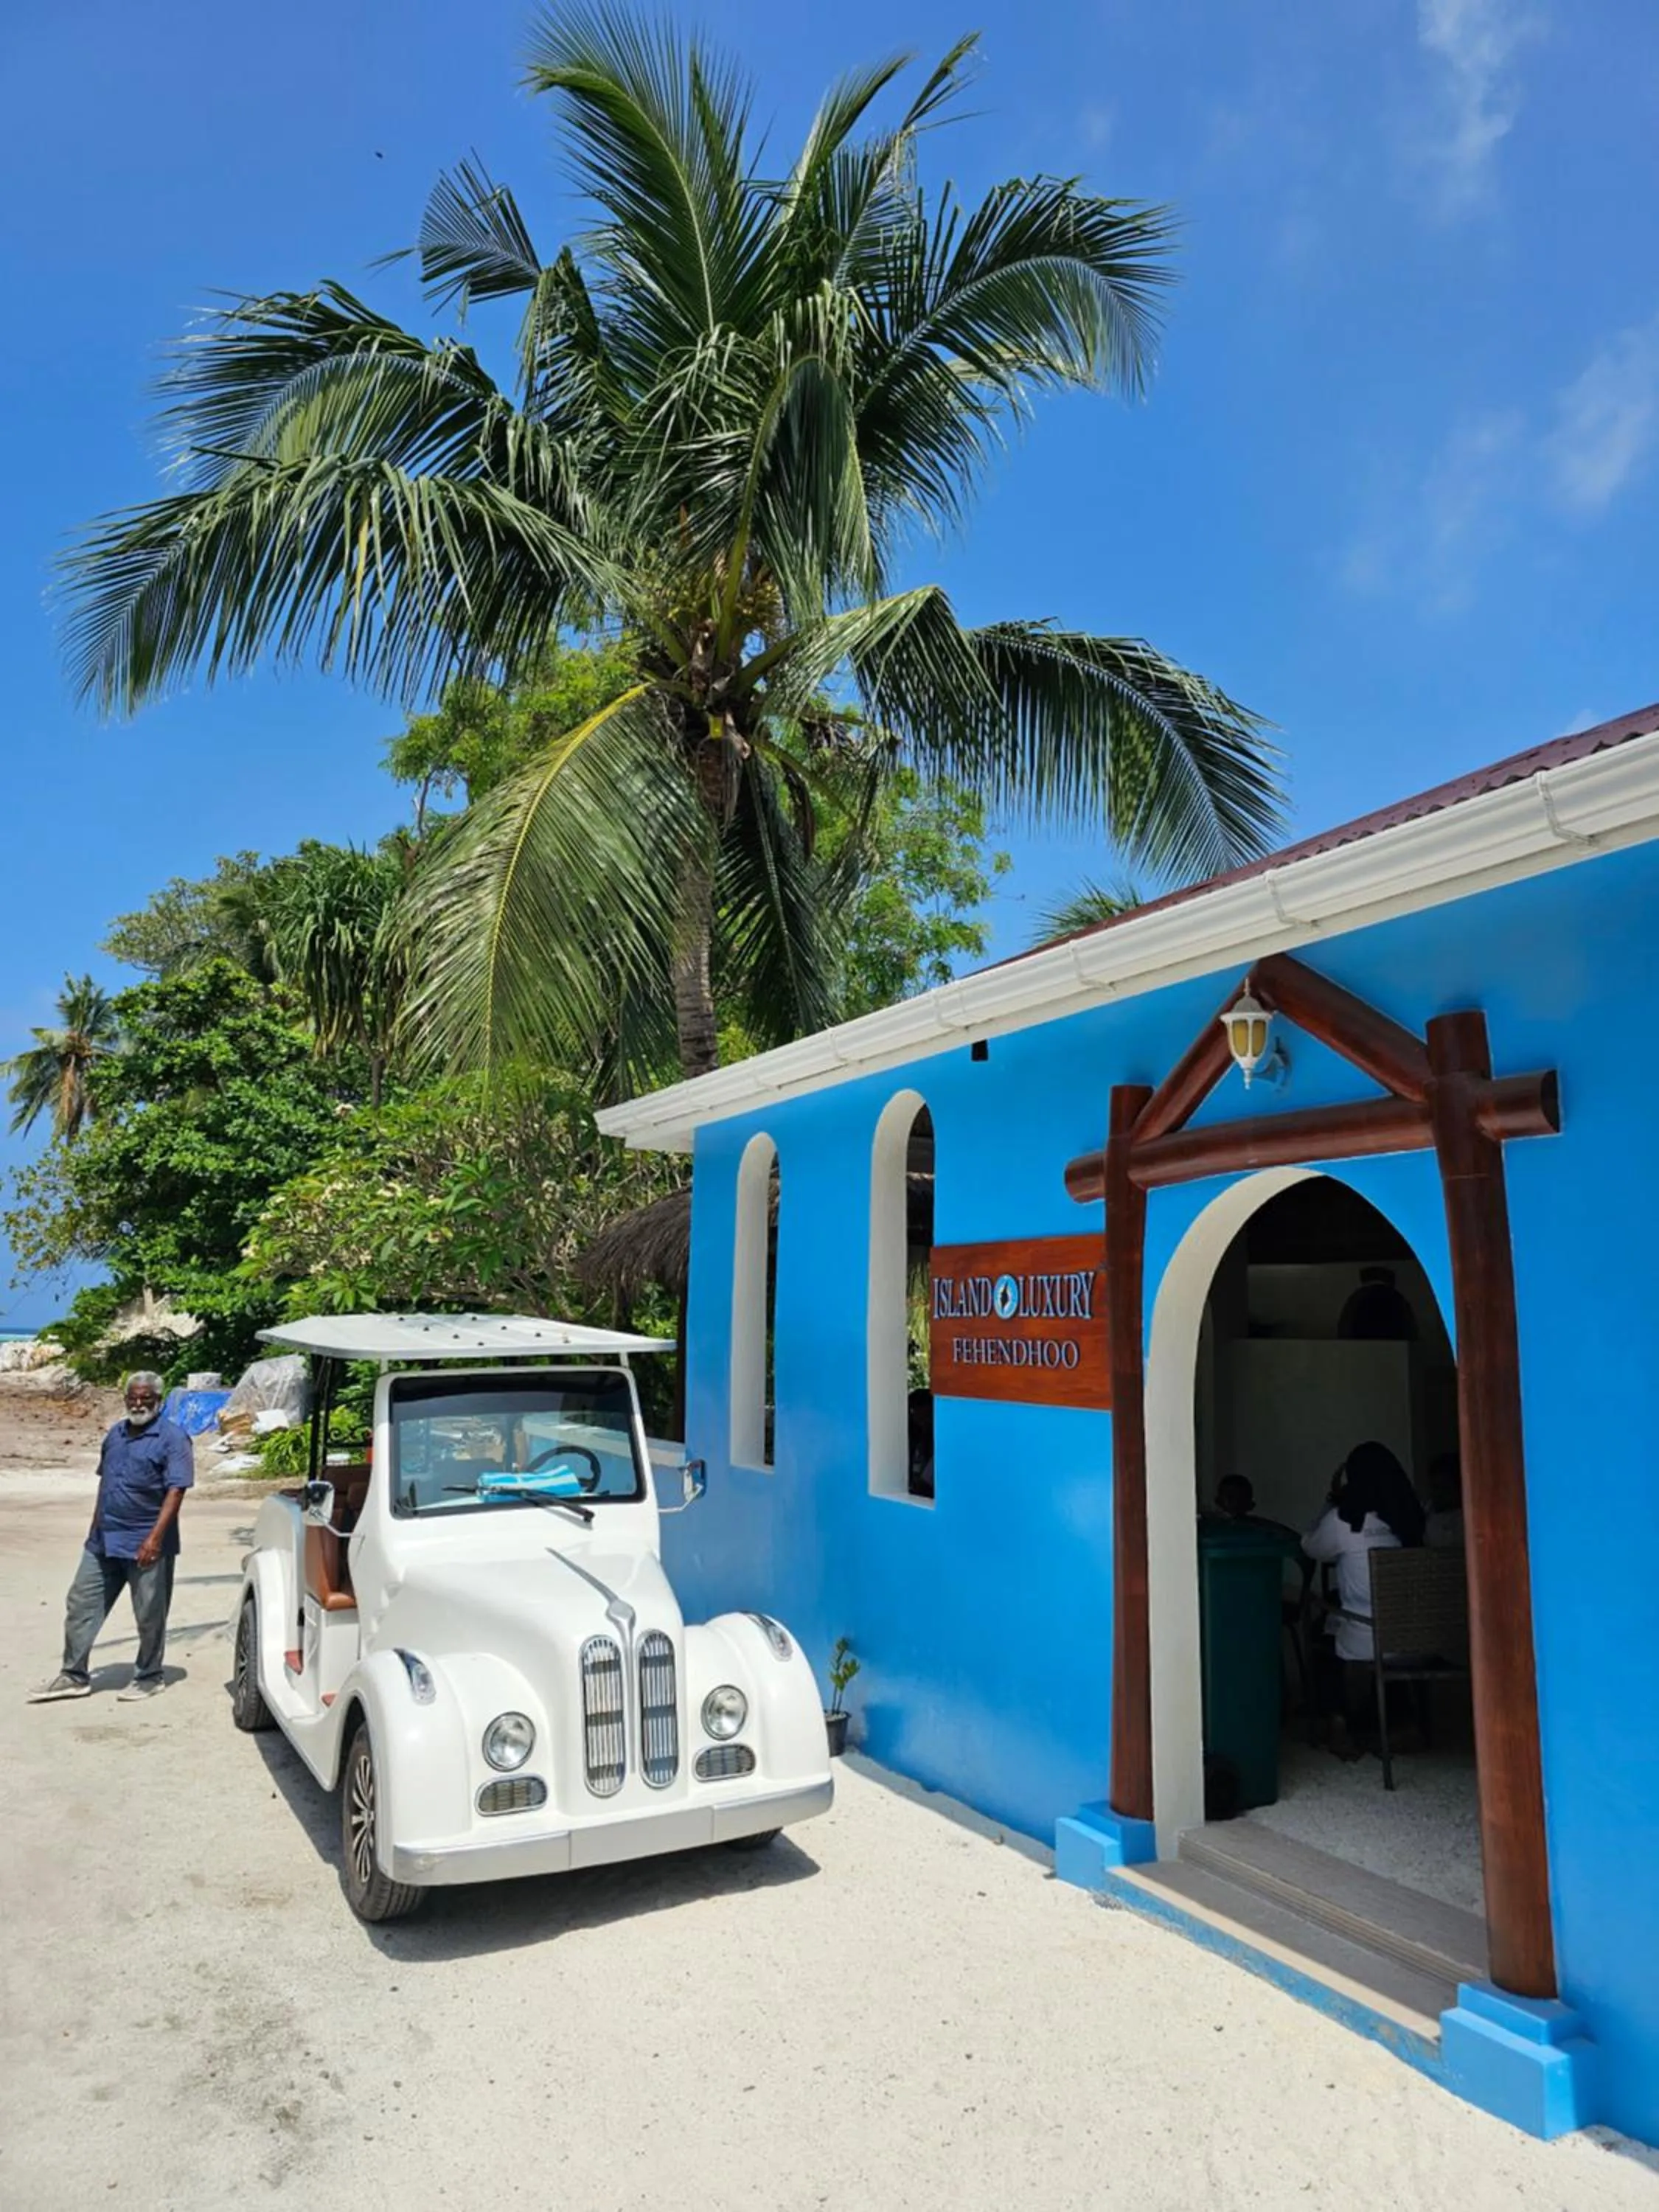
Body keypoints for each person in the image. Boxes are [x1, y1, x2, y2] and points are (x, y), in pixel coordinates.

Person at [27, 1371, 195, 1704]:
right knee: (80, 1603)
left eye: (146, 1398)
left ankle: (149, 1675)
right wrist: (94, 1528)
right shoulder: (115, 1435)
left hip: (147, 1542)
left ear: (158, 1401)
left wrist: (155, 1539)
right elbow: (105, 1482)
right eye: (133, 1397)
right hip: (105, 1539)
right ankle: (73, 1675)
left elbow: (176, 1491)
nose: (138, 1403)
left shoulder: (173, 1438)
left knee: (149, 1612)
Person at [1301, 1440, 1425, 1754]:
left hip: (1366, 1637)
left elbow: (1310, 1547)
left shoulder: (1344, 1520)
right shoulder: (1414, 1518)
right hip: (1420, 1637)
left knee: (1325, 1631)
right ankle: (1404, 1722)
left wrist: (1332, 1499)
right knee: (1369, 1635)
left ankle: (1340, 1723)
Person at [1424, 1450, 1465, 1548]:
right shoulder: (1426, 1515)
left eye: (1445, 1487)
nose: (1439, 1493)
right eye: (1435, 1487)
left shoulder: (1470, 1518)